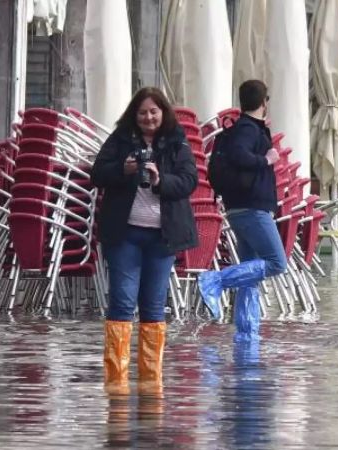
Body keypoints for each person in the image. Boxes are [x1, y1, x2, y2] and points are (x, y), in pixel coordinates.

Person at [91, 87, 198, 396]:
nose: (148, 117)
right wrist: (122, 171)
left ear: (163, 112)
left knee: (153, 305)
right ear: (133, 115)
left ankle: (151, 380)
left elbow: (189, 180)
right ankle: (117, 381)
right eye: (142, 112)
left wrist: (161, 178)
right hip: (125, 234)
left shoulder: (177, 140)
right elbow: (97, 174)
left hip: (162, 237)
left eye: (153, 111)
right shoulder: (121, 138)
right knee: (122, 301)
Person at [199, 80, 287, 340]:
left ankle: (247, 332)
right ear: (264, 102)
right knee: (276, 262)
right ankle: (215, 281)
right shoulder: (248, 129)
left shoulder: (244, 128)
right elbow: (240, 155)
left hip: (240, 208)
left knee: (250, 270)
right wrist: (266, 160)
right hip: (252, 209)